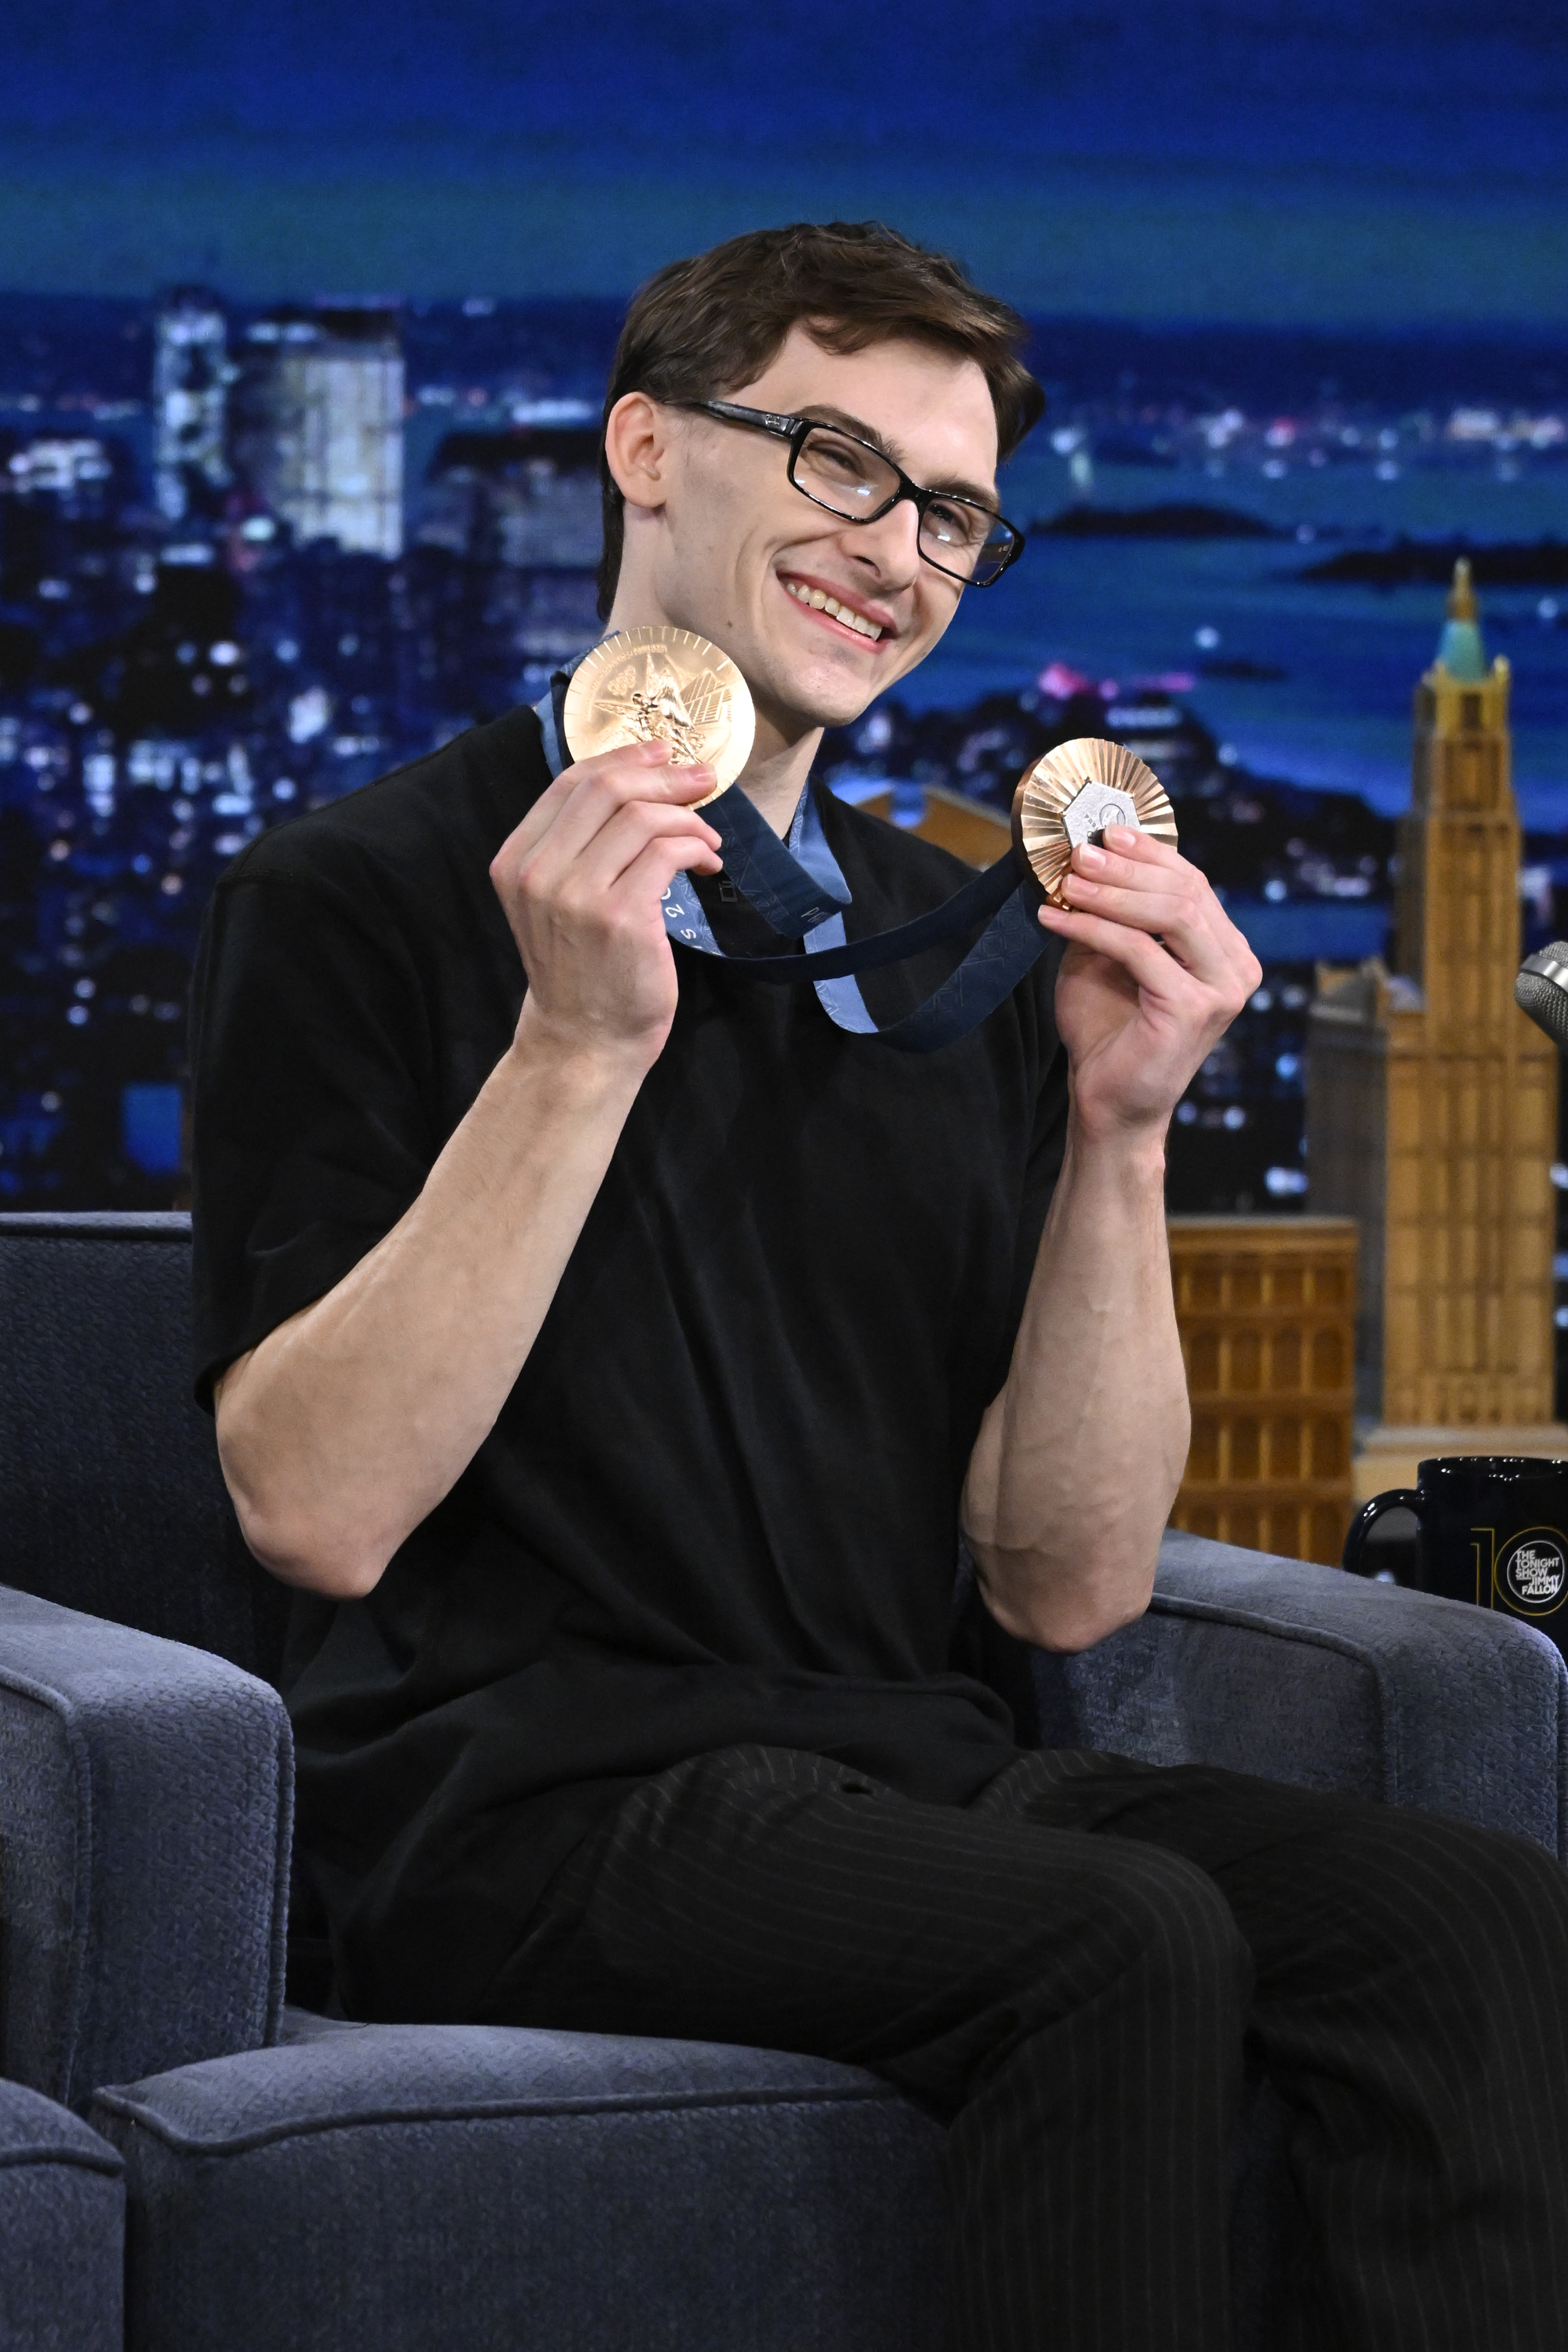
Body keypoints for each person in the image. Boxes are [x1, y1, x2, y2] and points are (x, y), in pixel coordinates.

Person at [191, 221, 1568, 2351]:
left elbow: (1069, 1590)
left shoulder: (964, 947)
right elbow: (313, 1509)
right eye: (840, 460)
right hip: (501, 1801)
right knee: (1118, 1937)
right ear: (648, 449)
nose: (899, 552)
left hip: (900, 1771)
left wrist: (1121, 1129)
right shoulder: (358, 892)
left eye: (951, 514)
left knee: (1474, 1915)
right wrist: (577, 1046)